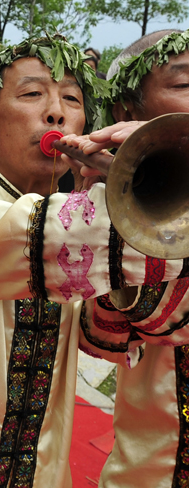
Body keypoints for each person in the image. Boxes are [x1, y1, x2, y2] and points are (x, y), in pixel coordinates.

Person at [0, 34, 184, 487]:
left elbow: (110, 330)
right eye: (32, 94)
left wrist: (133, 175)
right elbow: (64, 233)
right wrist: (138, 180)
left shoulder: (84, 217)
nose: (56, 112)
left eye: (71, 98)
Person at [69, 28, 189, 488]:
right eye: (182, 85)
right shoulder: (102, 206)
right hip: (158, 454)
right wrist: (128, 192)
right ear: (125, 112)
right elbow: (104, 336)